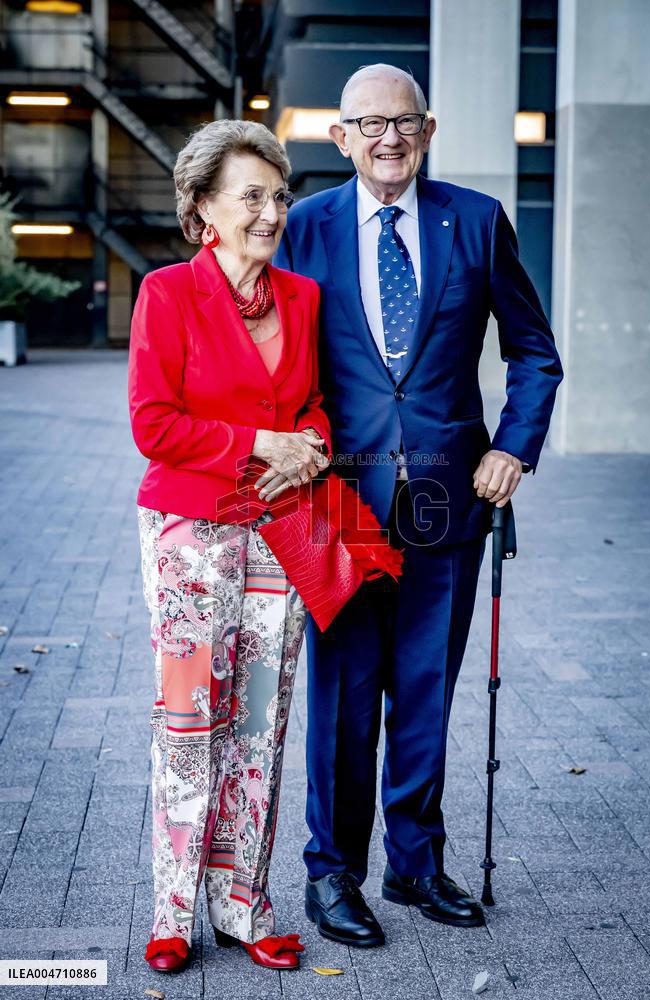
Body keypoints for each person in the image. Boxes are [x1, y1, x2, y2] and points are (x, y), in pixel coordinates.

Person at [274, 64, 563, 946]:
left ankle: (415, 864)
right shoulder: (307, 227)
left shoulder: (474, 220)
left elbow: (533, 352)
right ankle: (332, 876)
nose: (389, 139)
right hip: (342, 499)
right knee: (345, 699)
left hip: (449, 492)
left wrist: (513, 444)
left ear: (427, 131)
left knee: (428, 689)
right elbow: (273, 356)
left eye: (404, 124)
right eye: (370, 125)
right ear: (341, 137)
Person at [128, 119, 331, 973]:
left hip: (276, 532)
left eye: (279, 195)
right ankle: (174, 910)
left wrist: (309, 445)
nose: (271, 211)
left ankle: (243, 904)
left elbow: (315, 404)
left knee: (258, 723)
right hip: (188, 534)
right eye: (251, 195)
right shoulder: (168, 293)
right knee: (189, 723)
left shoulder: (303, 299)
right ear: (204, 206)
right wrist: (260, 443)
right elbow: (152, 424)